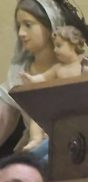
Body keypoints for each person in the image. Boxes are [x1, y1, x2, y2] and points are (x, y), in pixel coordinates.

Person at [19, 25, 88, 151]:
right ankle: (35, 139)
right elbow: (43, 77)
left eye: (59, 45)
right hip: (61, 104)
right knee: (39, 112)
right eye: (54, 46)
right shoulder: (58, 68)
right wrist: (31, 79)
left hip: (81, 105)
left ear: (73, 44)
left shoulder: (87, 64)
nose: (55, 50)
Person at [0, 0, 65, 157]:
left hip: (66, 149)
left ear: (50, 26)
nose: (21, 33)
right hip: (33, 150)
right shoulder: (18, 71)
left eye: (28, 25)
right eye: (19, 26)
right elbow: (3, 118)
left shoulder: (71, 69)